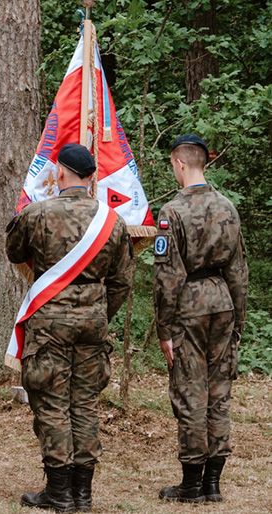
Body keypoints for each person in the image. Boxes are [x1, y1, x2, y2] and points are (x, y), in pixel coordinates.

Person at [6, 143, 133, 513]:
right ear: (92, 176)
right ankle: (83, 493)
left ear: (60, 172)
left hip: (50, 323)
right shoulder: (113, 221)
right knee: (86, 403)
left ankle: (59, 491)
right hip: (93, 323)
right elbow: (123, 280)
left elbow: (15, 252)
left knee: (51, 402)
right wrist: (97, 311)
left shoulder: (38, 213)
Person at [154, 134, 248, 503]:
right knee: (219, 392)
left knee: (192, 392)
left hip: (189, 306)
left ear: (179, 163)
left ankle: (192, 484)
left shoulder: (172, 212)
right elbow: (239, 270)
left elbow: (167, 278)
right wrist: (238, 321)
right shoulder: (228, 207)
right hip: (222, 302)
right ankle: (213, 483)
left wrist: (164, 329)